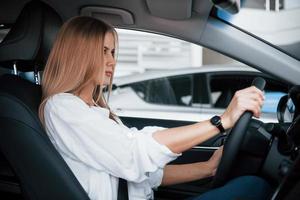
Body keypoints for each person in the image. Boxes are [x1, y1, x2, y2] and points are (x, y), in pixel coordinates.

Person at [39, 16, 271, 200]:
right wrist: (221, 122)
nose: (112, 61)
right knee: (254, 188)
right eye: (103, 51)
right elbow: (134, 155)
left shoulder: (96, 109)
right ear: (80, 54)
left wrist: (207, 168)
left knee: (251, 186)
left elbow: (145, 176)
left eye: (112, 52)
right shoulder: (61, 107)